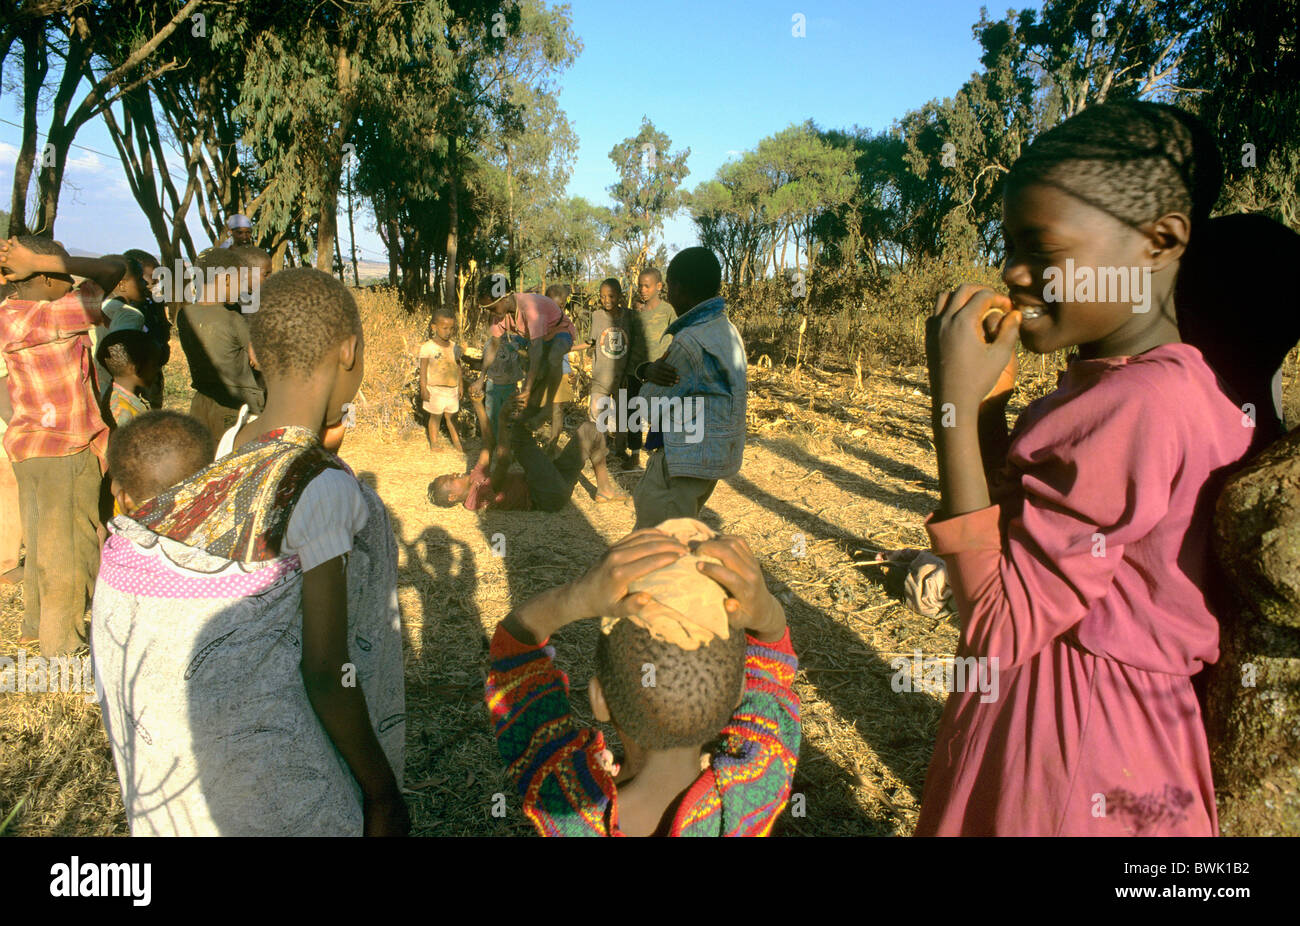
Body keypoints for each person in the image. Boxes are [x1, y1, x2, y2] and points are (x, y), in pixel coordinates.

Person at [917, 101, 1252, 836]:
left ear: (1159, 243)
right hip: (1116, 735)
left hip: (1067, 750)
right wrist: (985, 415)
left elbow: (1000, 626)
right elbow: (1035, 538)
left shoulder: (1136, 404)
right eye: (1008, 244)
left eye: (1043, 248)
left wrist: (951, 405)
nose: (1011, 270)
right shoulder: (1157, 382)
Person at [91, 268, 407, 836]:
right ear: (351, 351)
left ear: (256, 354)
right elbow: (325, 670)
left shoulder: (228, 445)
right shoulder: (322, 484)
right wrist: (383, 794)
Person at [485, 519, 800, 836]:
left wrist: (574, 598)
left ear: (600, 700)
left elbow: (513, 664)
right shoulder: (757, 787)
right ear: (739, 694)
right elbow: (772, 682)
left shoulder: (563, 802)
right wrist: (769, 616)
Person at [0, 236, 124, 654]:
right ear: (49, 278)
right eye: (64, 274)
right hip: (64, 452)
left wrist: (37, 262)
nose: (73, 282)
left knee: (41, 543)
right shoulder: (56, 315)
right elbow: (113, 268)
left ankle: (35, 625)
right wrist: (46, 258)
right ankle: (62, 651)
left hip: (27, 449)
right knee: (70, 552)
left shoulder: (9, 314)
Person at [632, 248, 747, 530]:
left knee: (655, 547)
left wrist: (645, 374)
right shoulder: (726, 328)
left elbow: (648, 405)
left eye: (670, 287)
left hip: (682, 462)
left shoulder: (688, 342)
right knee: (679, 537)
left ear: (679, 288)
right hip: (711, 458)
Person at [429, 410, 627, 512]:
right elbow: (504, 462)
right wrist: (504, 420)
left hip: (555, 481)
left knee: (590, 429)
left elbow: (487, 444)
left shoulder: (473, 477)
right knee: (517, 435)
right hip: (545, 496)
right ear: (452, 497)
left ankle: (605, 490)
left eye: (450, 474)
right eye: (450, 480)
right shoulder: (474, 500)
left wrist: (478, 402)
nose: (454, 474)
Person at [176, 248, 267, 444]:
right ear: (226, 279)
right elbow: (259, 362)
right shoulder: (232, 319)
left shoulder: (184, 315)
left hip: (202, 403)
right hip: (236, 409)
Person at [477, 277, 576, 451]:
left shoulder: (530, 308)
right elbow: (493, 345)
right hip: (539, 339)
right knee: (535, 383)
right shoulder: (499, 315)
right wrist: (481, 377)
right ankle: (522, 441)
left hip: (559, 332)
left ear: (505, 297)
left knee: (553, 357)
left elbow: (536, 350)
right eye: (487, 309)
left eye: (492, 307)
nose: (491, 312)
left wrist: (527, 387)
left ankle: (547, 408)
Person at [623, 267, 674, 470]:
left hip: (658, 371)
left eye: (647, 286)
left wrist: (667, 361)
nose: (643, 290)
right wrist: (625, 371)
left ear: (659, 286)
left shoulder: (668, 310)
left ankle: (656, 454)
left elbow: (677, 337)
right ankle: (634, 454)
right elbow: (629, 341)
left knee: (658, 413)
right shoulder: (635, 312)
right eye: (640, 286)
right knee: (633, 412)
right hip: (634, 370)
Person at [585, 278, 632, 461]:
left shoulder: (629, 316)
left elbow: (634, 345)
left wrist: (629, 373)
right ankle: (599, 448)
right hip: (600, 376)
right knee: (597, 413)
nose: (606, 300)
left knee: (621, 415)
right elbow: (592, 342)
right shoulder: (597, 316)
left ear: (620, 296)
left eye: (611, 296)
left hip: (621, 375)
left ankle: (620, 448)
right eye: (603, 296)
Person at [91, 254, 148, 399]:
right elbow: (120, 360)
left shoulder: (95, 308)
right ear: (121, 284)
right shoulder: (130, 315)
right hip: (116, 395)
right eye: (140, 278)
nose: (146, 283)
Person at [123, 248, 171, 410]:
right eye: (152, 280)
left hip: (153, 375)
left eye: (158, 281)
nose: (155, 286)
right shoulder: (125, 311)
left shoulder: (152, 304)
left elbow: (164, 331)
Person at [418, 307, 465, 453]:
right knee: (436, 417)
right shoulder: (428, 347)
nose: (448, 331)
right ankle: (434, 442)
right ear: (434, 327)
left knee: (452, 417)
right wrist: (423, 388)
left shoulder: (454, 347)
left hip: (452, 389)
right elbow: (423, 370)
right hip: (435, 389)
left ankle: (457, 443)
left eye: (451, 328)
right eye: (444, 328)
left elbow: (458, 367)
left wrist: (460, 386)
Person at [95, 330, 160, 430]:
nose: (157, 370)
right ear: (134, 368)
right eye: (154, 365)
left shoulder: (126, 396)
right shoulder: (122, 411)